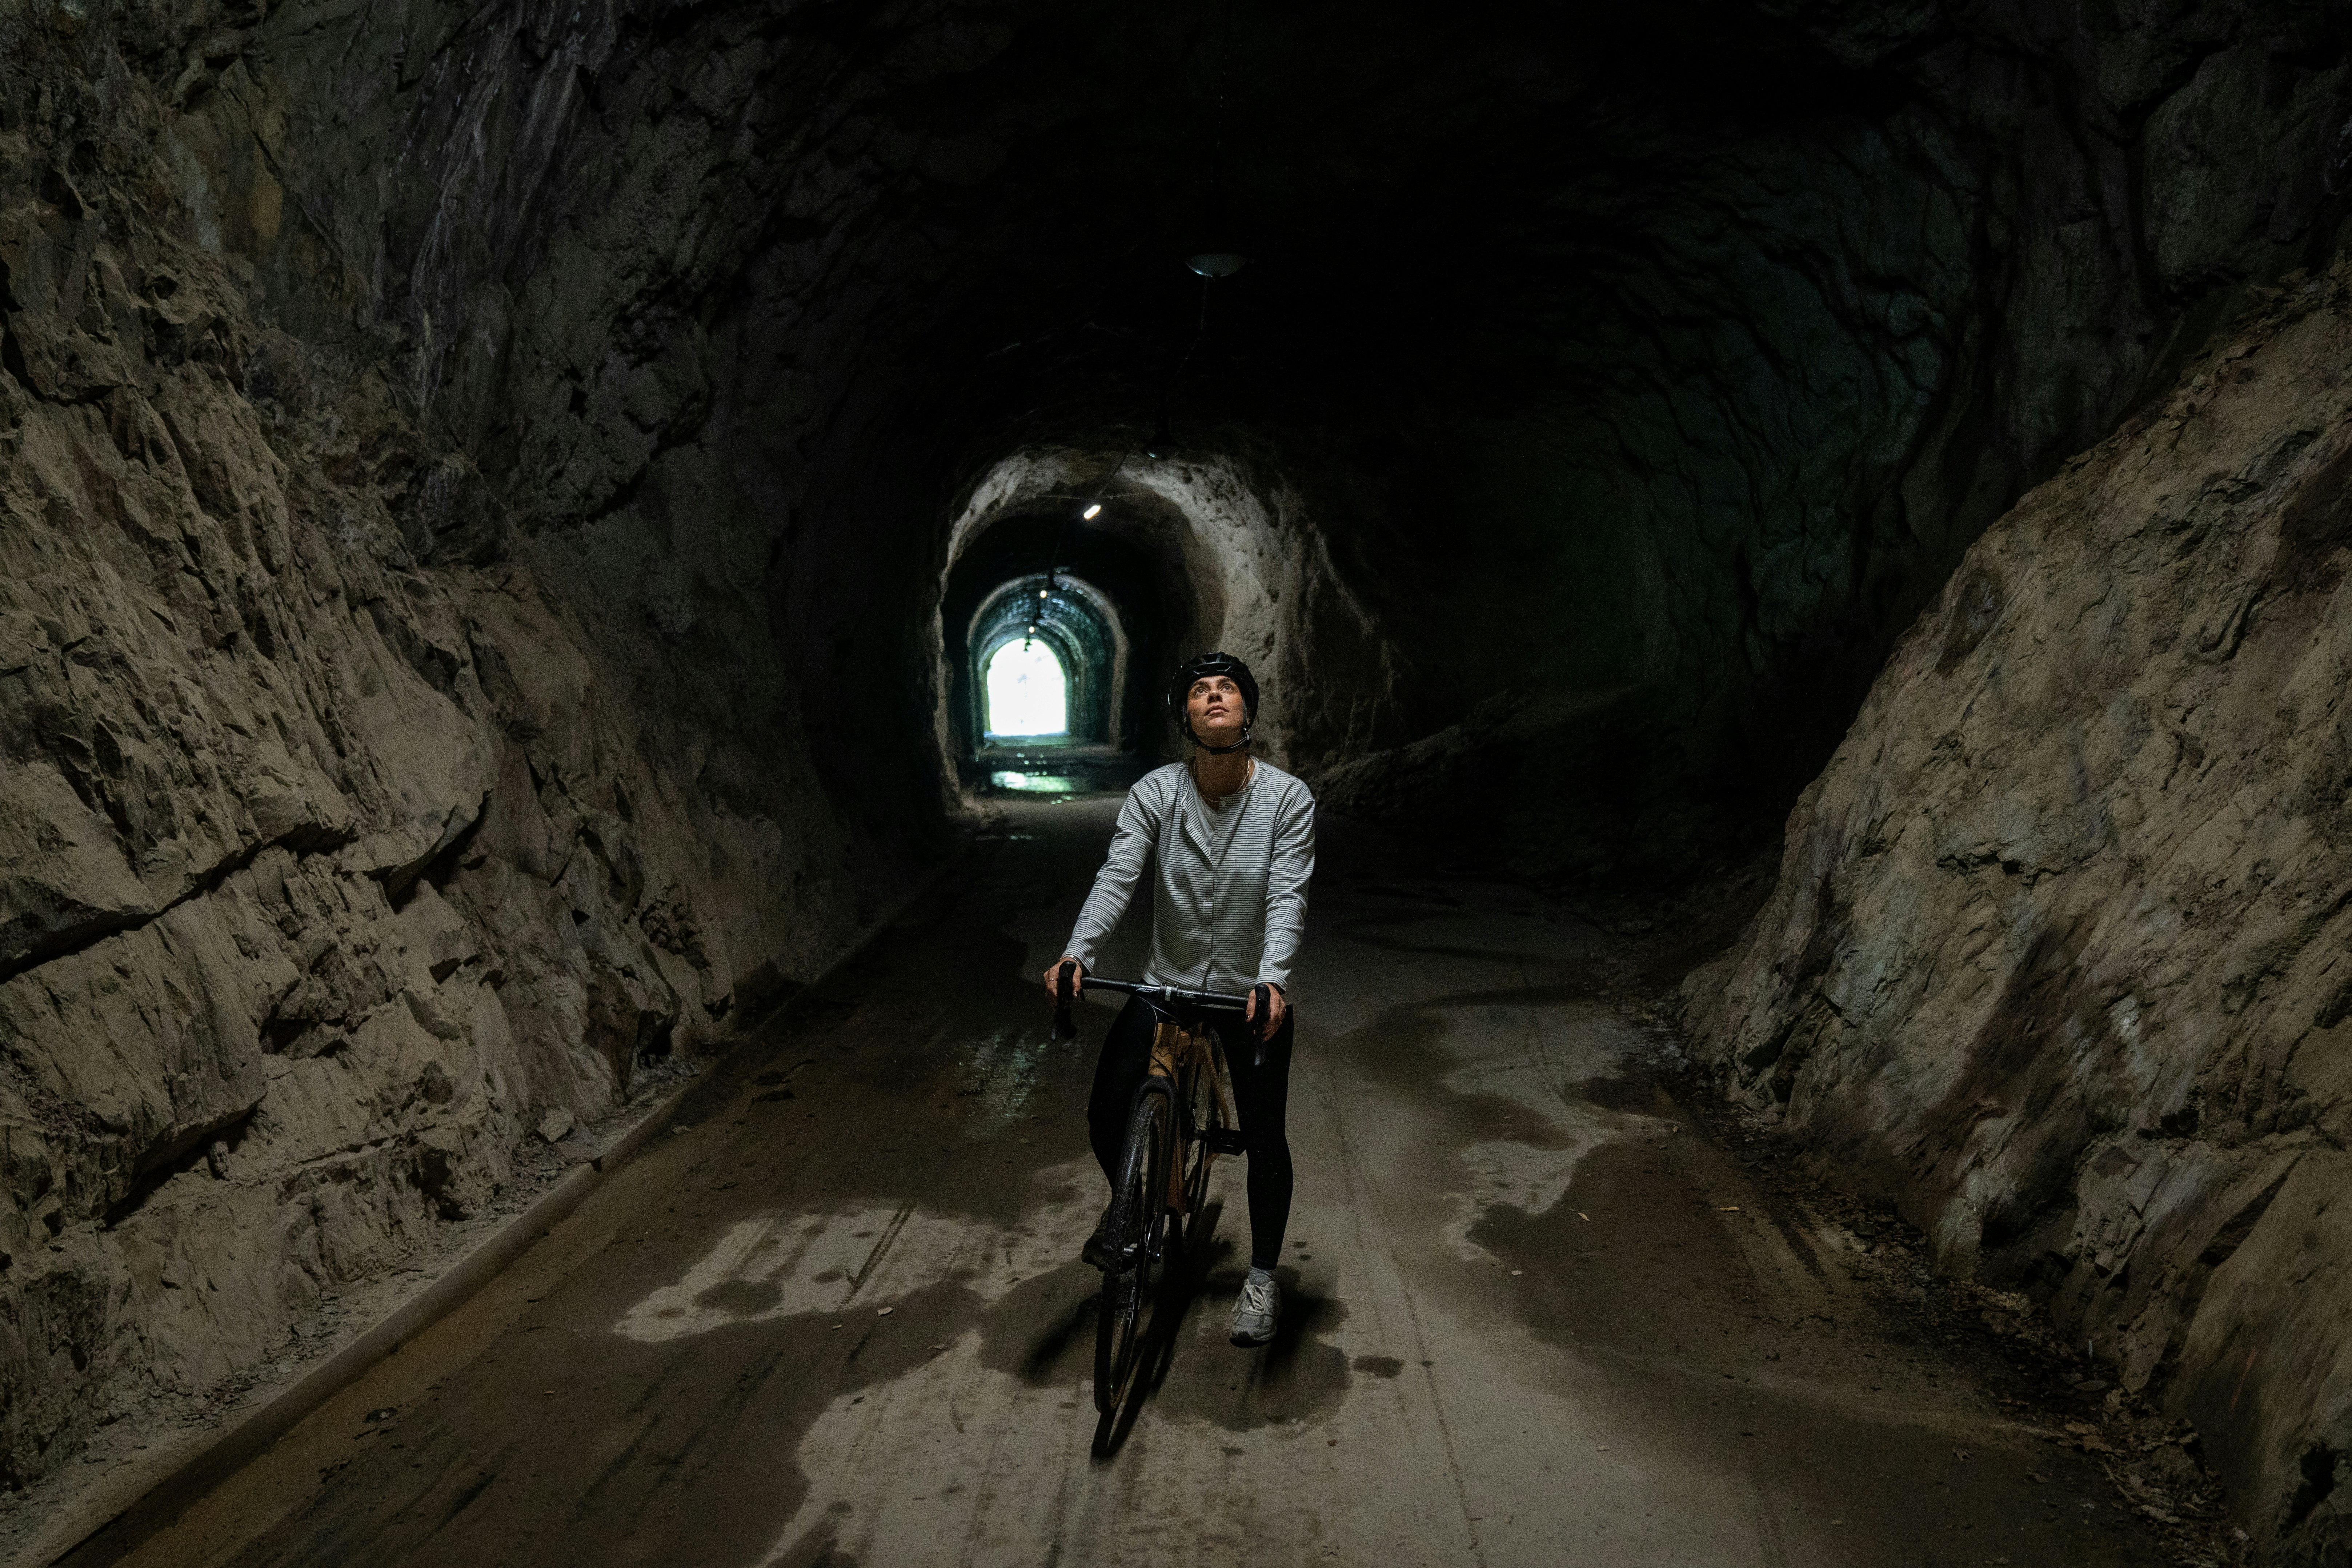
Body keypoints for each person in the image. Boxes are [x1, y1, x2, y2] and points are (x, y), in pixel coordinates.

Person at [1041, 651, 1316, 1347]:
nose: (1214, 697)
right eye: (1199, 690)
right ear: (1185, 716)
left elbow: (1288, 896)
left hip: (1247, 997)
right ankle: (1129, 1206)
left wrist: (1273, 977)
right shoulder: (1157, 792)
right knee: (1108, 1110)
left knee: (1265, 1138)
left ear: (1247, 710)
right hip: (1168, 982)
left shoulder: (1287, 799)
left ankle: (1259, 1277)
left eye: (1227, 689)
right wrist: (1079, 952)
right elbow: (1117, 876)